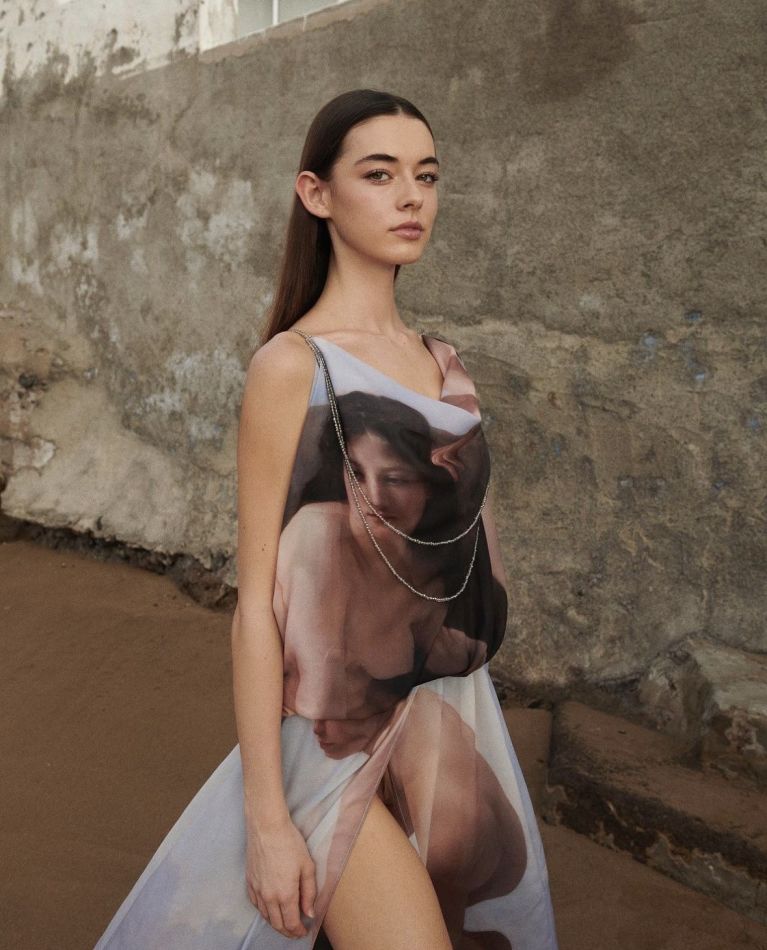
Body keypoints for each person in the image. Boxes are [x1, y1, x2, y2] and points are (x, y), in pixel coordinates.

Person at [93, 88, 559, 950]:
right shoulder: (292, 368)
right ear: (316, 193)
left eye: (426, 176)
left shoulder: (445, 366)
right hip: (330, 746)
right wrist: (268, 820)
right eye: (379, 175)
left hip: (446, 724)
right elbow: (256, 609)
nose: (410, 197)